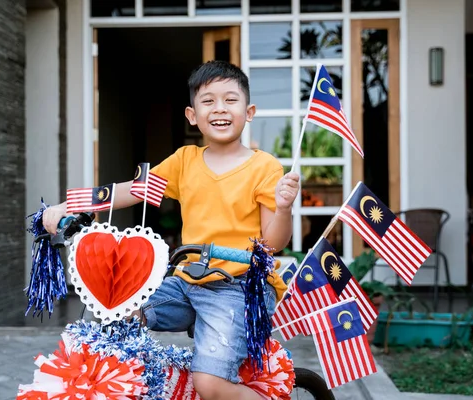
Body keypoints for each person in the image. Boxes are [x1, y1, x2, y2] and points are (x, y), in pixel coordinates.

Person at [43, 60, 300, 400]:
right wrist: (73, 205)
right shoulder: (184, 160)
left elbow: (273, 243)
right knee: (121, 312)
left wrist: (283, 208)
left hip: (237, 288)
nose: (220, 108)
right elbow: (132, 190)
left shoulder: (265, 167)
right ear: (192, 115)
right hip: (187, 280)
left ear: (249, 111)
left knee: (210, 385)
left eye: (230, 100)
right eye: (208, 101)